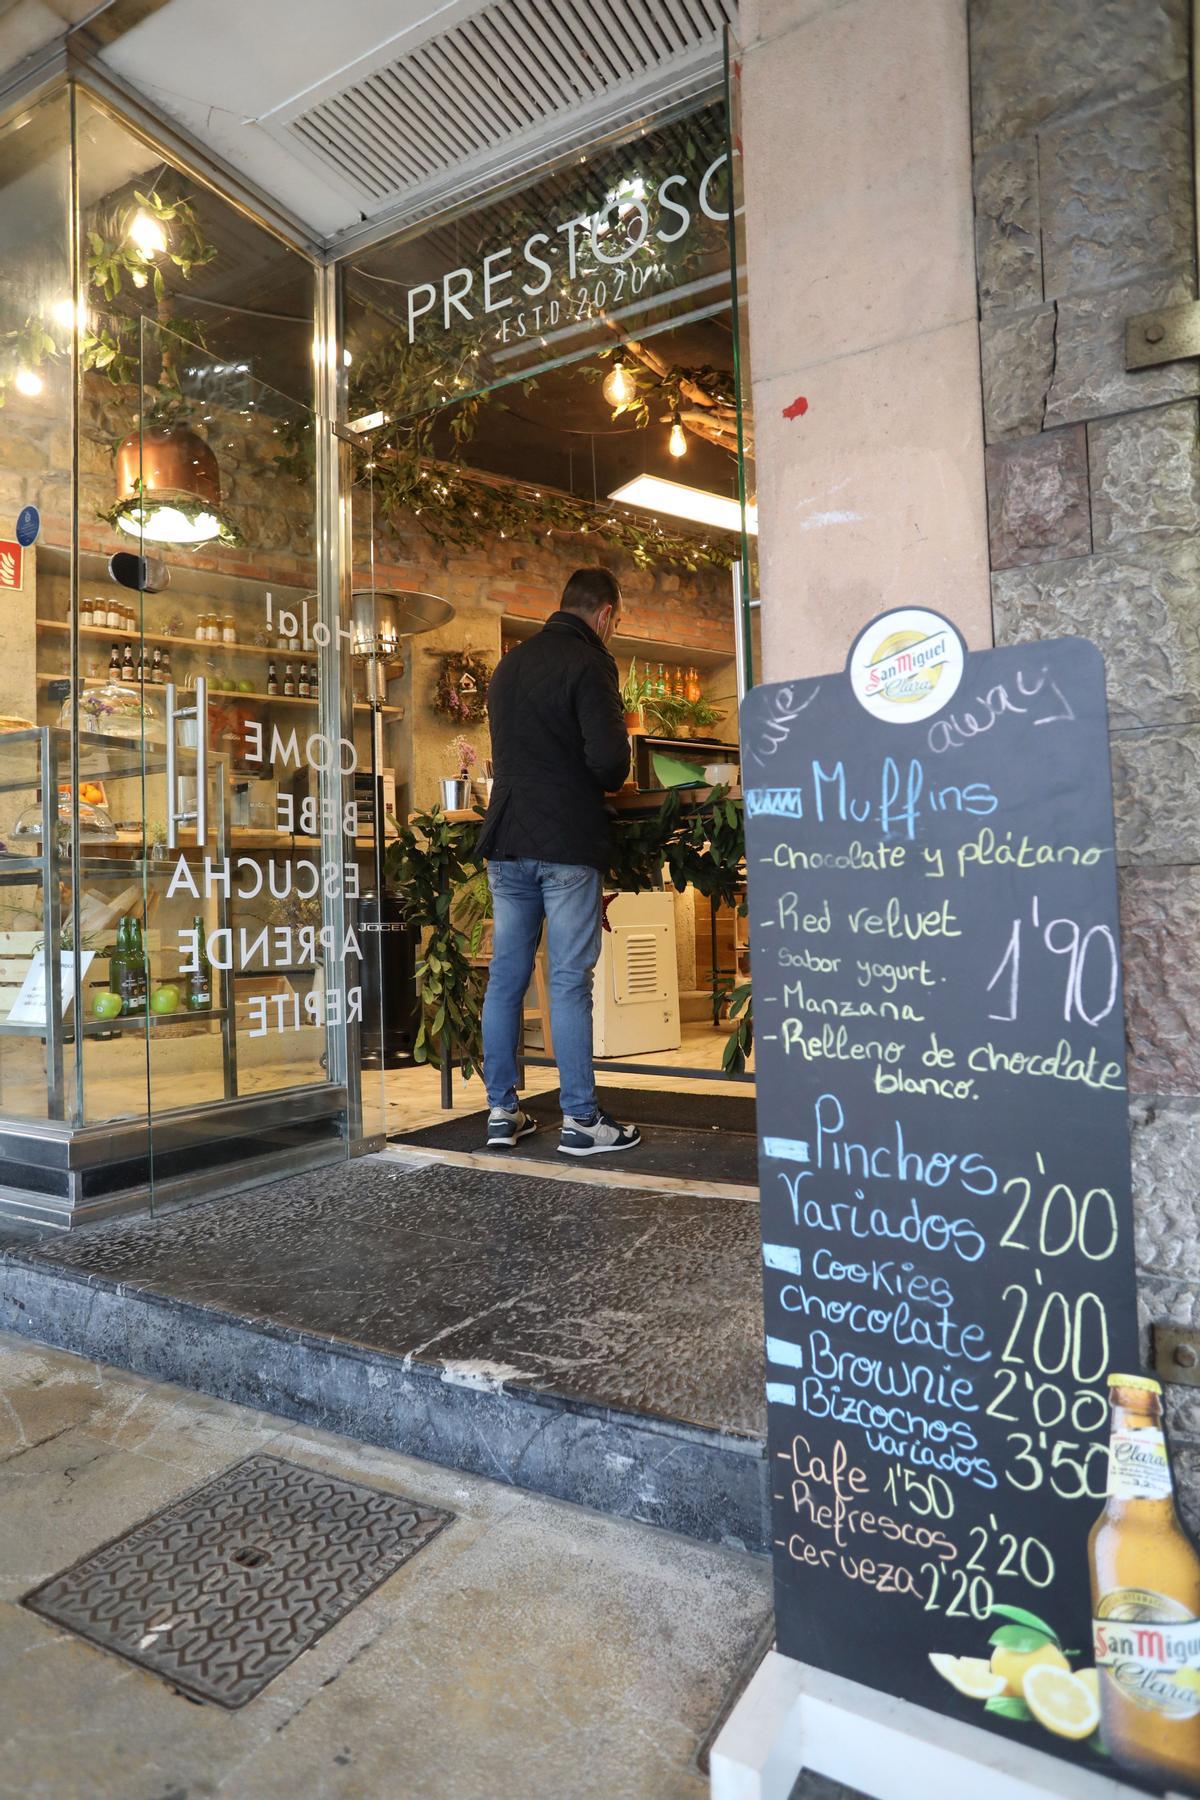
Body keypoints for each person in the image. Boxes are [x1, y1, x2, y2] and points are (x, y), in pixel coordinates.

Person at [476, 567, 642, 1157]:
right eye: (616, 621)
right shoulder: (590, 661)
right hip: (566, 841)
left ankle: (502, 1113)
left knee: (507, 978)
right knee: (570, 980)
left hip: (507, 837)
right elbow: (609, 764)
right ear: (605, 613)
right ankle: (581, 1121)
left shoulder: (509, 665)